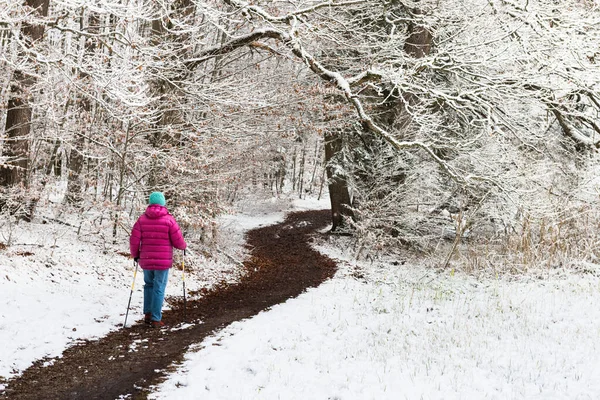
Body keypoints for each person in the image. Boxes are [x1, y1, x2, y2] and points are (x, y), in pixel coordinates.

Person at [129, 191, 187, 328]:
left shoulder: (142, 220)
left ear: (150, 203)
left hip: (146, 259)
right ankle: (156, 318)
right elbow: (178, 241)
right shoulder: (169, 220)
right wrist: (183, 246)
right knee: (159, 287)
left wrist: (135, 254)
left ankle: (147, 314)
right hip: (163, 261)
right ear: (163, 203)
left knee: (148, 285)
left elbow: (134, 240)